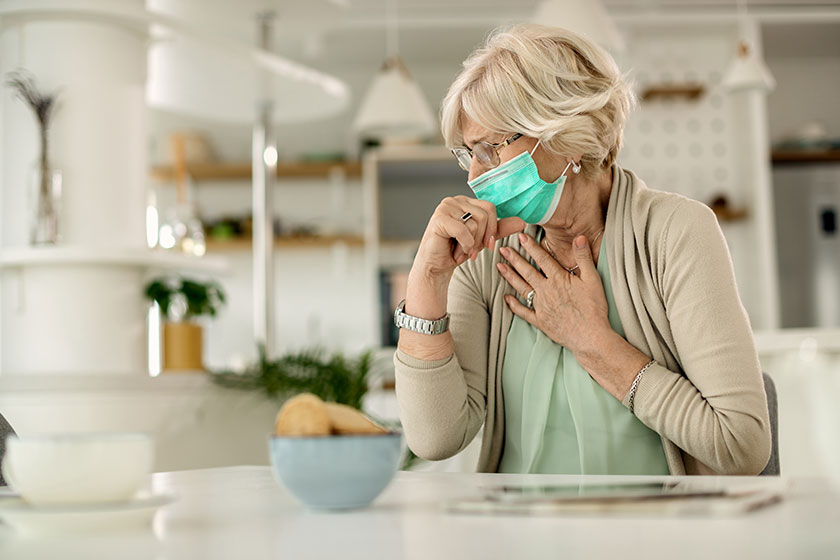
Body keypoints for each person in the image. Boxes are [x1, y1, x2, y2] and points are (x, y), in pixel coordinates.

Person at [393, 24, 771, 475]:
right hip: (518, 539)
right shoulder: (486, 259)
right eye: (467, 153)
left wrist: (591, 342)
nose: (474, 173)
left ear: (563, 135)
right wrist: (427, 281)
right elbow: (434, 438)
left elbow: (741, 445)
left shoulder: (675, 233)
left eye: (489, 149)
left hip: (652, 537)